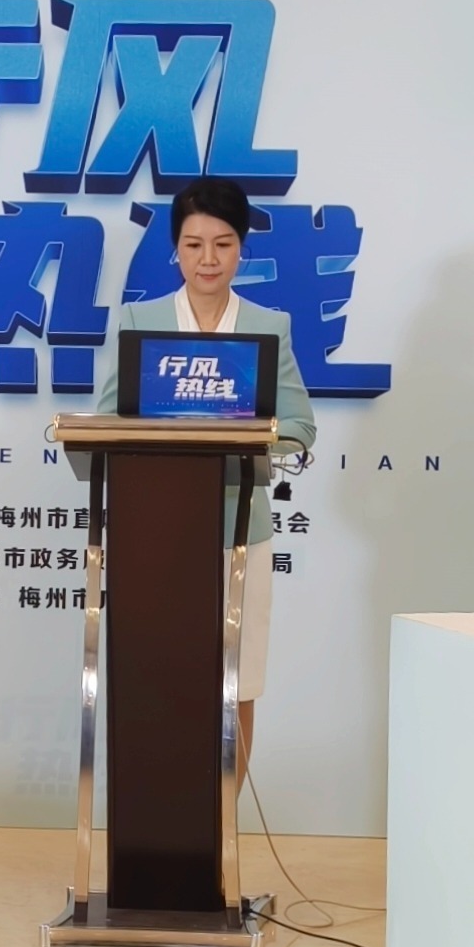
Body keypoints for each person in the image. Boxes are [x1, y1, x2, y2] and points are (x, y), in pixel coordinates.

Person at [88, 178, 318, 780]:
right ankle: (162, 818)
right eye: (193, 245)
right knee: (158, 679)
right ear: (176, 250)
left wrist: (242, 438)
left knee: (238, 684)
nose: (208, 259)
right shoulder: (141, 319)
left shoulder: (269, 325)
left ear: (241, 248)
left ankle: (222, 825)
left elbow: (300, 427)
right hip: (156, 531)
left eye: (222, 244)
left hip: (240, 532)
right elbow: (110, 419)